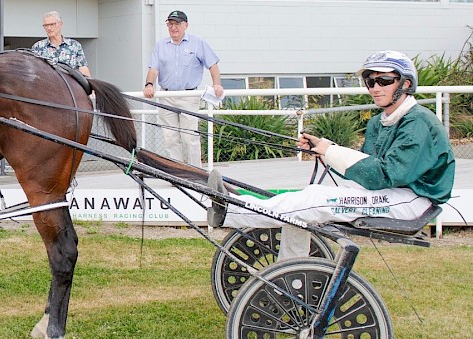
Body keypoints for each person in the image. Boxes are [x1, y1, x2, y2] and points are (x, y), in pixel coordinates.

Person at [207, 50, 455, 259]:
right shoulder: (379, 122)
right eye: (370, 81)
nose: (375, 88)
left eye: (385, 81)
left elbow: (382, 175)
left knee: (318, 200)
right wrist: (325, 149)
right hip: (390, 192)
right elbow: (364, 169)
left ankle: (233, 212)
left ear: (406, 84)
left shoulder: (419, 122)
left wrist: (331, 151)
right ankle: (289, 274)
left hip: (415, 200)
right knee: (306, 204)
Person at [143, 10, 223, 167]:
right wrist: (149, 84)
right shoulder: (160, 46)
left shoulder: (198, 43)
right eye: (170, 24)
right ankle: (179, 173)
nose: (173, 27)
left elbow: (213, 65)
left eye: (177, 24)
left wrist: (217, 84)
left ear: (186, 25)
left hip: (189, 96)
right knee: (170, 138)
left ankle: (196, 172)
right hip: (166, 96)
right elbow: (153, 69)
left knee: (190, 137)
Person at [30, 10, 91, 77]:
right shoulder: (37, 47)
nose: (49, 28)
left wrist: (90, 86)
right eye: (46, 25)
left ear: (61, 24)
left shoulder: (75, 46)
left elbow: (84, 70)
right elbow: (32, 71)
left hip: (70, 86)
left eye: (52, 24)